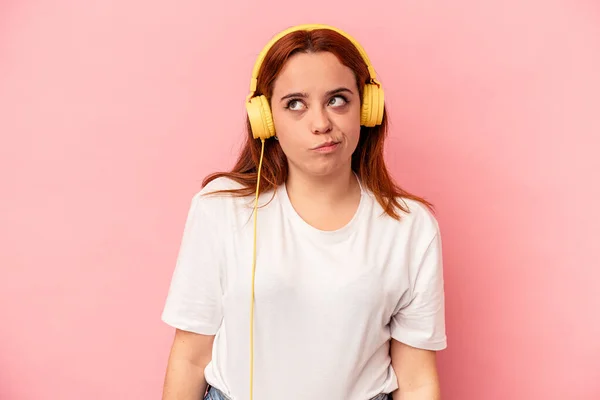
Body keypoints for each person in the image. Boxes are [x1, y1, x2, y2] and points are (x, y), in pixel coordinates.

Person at [160, 24, 447, 400]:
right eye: (295, 103)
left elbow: (416, 379)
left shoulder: (411, 227)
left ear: (367, 107)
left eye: (338, 99)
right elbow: (191, 358)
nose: (321, 123)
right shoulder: (221, 209)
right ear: (266, 119)